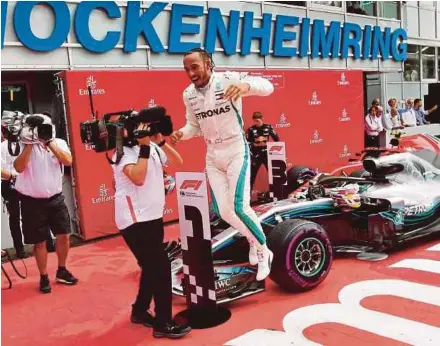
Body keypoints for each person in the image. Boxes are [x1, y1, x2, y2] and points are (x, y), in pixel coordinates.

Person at [171, 48, 275, 281]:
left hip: (236, 149)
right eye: (186, 68)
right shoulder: (188, 94)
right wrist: (181, 134)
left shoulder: (228, 79)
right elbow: (194, 127)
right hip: (212, 155)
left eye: (195, 66)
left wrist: (246, 87)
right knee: (223, 211)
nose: (190, 72)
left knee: (239, 206)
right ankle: (251, 240)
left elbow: (268, 87)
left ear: (208, 64)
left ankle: (263, 250)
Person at [112, 121, 191, 339]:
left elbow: (178, 161)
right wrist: (145, 146)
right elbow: (137, 177)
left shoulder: (152, 147)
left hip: (153, 216)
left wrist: (160, 142)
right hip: (135, 220)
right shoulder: (122, 153)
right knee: (161, 268)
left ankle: (139, 310)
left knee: (151, 266)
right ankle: (163, 323)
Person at [13, 114, 77, 293]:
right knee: (39, 242)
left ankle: (62, 270)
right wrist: (29, 145)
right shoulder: (23, 144)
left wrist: (49, 142)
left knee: (64, 235)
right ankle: (43, 276)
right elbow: (18, 168)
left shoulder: (58, 143)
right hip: (31, 202)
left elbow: (68, 161)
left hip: (55, 199)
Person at [1, 132, 27, 259]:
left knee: (37, 211)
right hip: (9, 184)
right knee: (15, 217)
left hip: (27, 182)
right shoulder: (2, 147)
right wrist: (12, 176)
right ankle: (20, 250)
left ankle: (47, 243)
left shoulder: (25, 144)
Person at [246, 111, 280, 190]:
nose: (256, 122)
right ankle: (247, 199)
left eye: (258, 121)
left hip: (267, 154)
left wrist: (269, 146)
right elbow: (247, 142)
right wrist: (254, 144)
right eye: (255, 121)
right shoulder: (251, 129)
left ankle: (276, 194)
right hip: (256, 155)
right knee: (251, 176)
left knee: (273, 175)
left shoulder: (268, 127)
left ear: (261, 119)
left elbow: (277, 139)